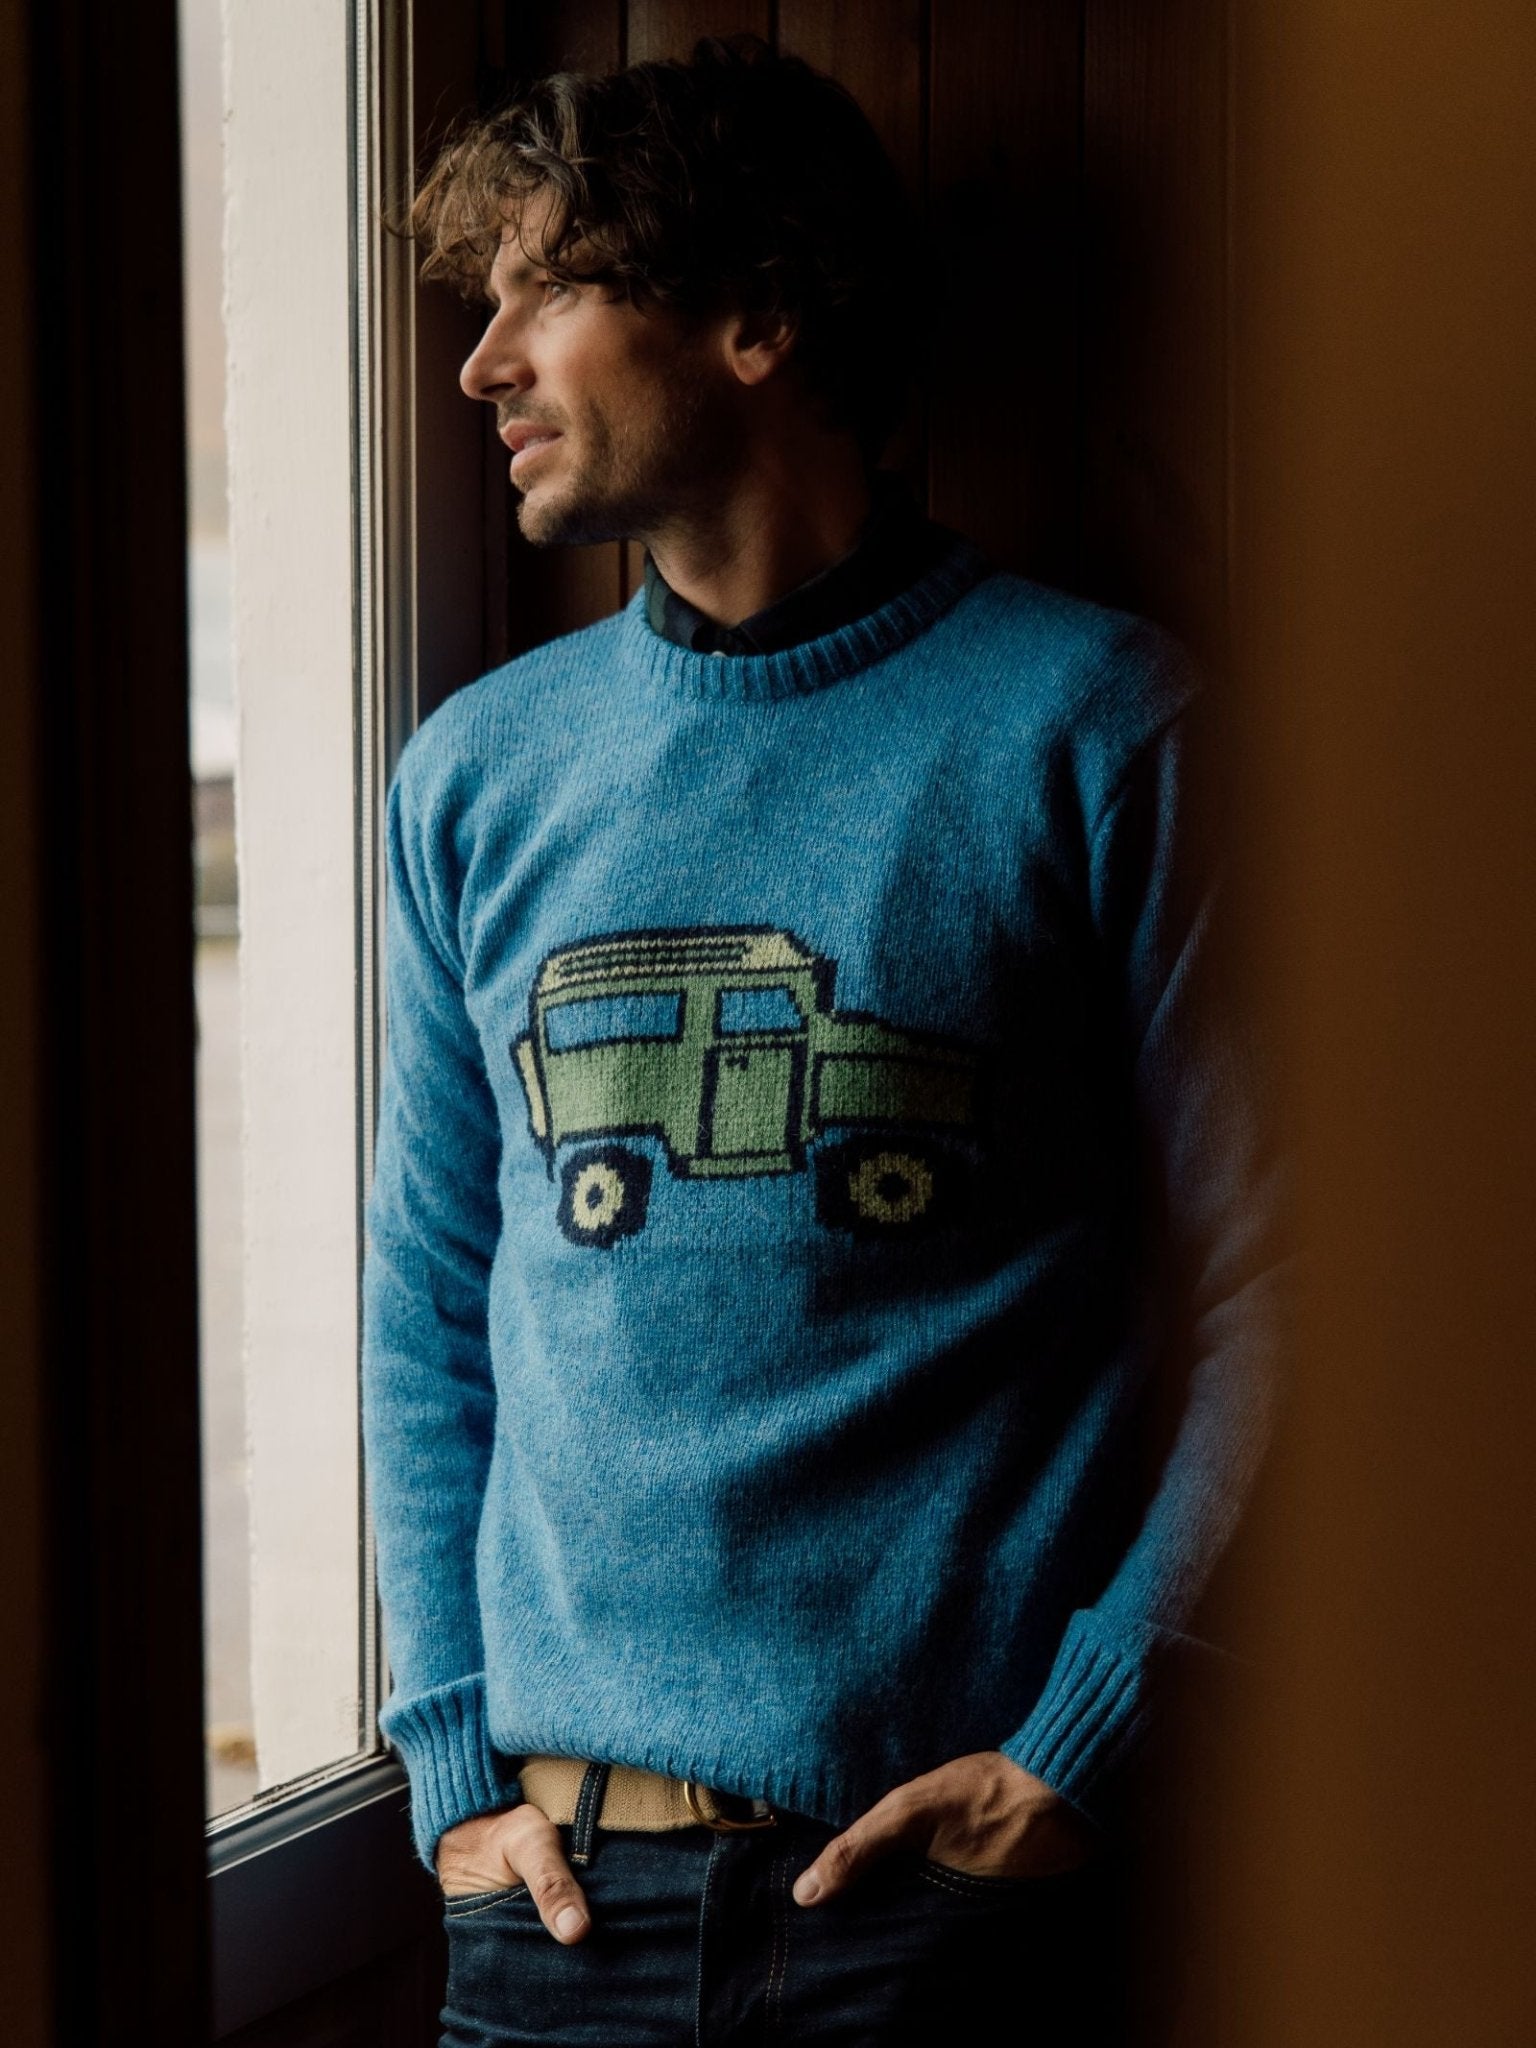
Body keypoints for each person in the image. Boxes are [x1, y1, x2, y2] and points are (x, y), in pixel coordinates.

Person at [361, 33, 1282, 2046]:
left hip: (940, 1902)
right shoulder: (475, 779)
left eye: (552, 285)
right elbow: (431, 1309)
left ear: (759, 314)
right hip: (551, 1916)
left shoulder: (1099, 725)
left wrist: (1094, 1726)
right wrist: (449, 1775)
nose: (482, 361)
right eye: (483, 299)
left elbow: (1303, 1280)